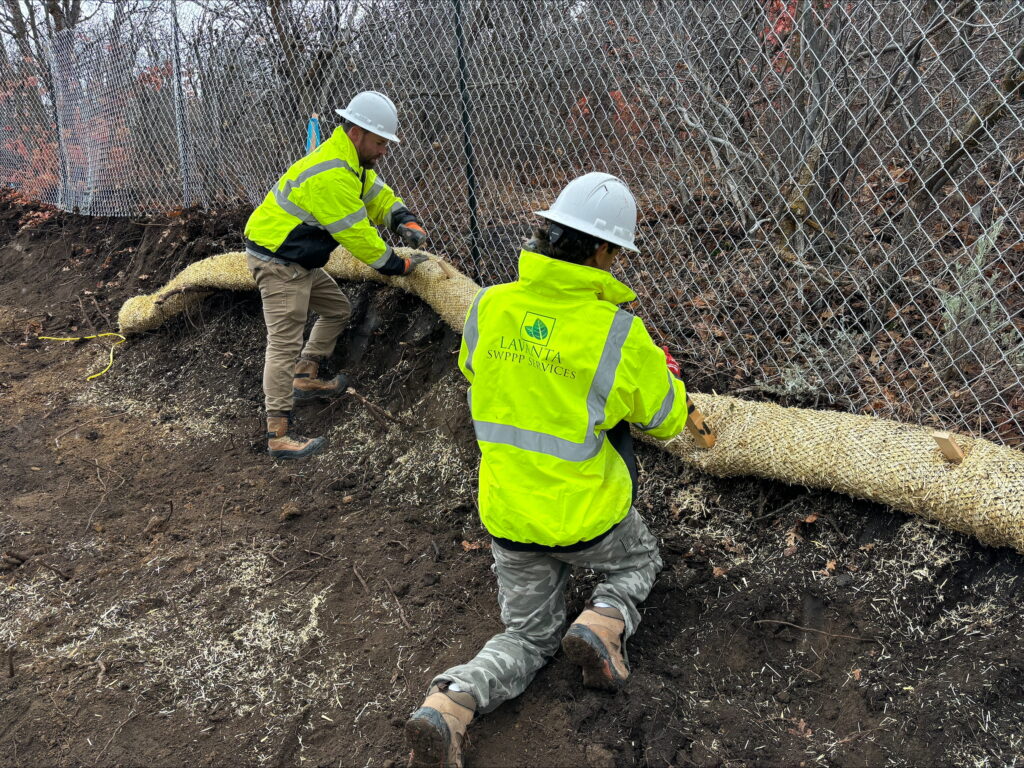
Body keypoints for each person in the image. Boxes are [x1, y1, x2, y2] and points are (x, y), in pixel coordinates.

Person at [405, 173, 690, 767]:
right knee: (639, 560)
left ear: (545, 231)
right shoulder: (617, 333)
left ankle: (453, 703)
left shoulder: (489, 306)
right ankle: (604, 621)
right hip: (592, 522)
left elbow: (474, 370)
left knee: (527, 636)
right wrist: (662, 374)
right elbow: (665, 420)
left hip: (509, 517)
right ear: (604, 252)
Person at [243, 90, 430, 460]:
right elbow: (356, 233)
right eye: (380, 142)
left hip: (300, 261)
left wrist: (401, 217)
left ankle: (305, 376)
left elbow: (375, 194)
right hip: (279, 264)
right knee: (282, 344)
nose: (384, 151)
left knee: (337, 309)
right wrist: (397, 265)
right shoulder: (331, 173)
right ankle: (277, 434)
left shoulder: (349, 162)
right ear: (357, 132)